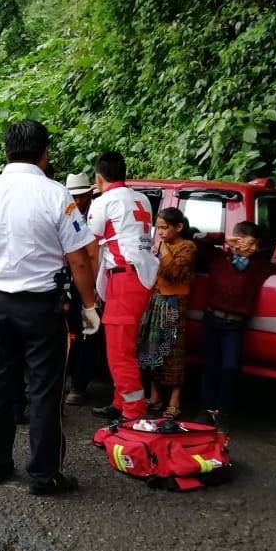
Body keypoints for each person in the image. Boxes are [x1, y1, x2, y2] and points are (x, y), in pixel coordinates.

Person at [0, 120, 100, 496]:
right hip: (41, 308)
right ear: (44, 152)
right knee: (44, 390)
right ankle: (42, 474)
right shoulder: (56, 196)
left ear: (7, 151)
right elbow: (80, 260)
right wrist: (89, 305)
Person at [193, 222, 276, 432]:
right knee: (210, 366)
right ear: (236, 241)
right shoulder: (218, 258)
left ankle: (222, 412)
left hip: (235, 325)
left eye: (256, 245)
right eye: (249, 244)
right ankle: (206, 410)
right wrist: (222, 239)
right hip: (212, 320)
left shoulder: (259, 266)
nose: (254, 249)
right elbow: (197, 239)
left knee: (230, 367)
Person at [88, 151, 159, 423]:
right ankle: (120, 402)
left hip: (124, 278)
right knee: (124, 345)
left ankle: (133, 412)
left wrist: (89, 287)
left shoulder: (103, 202)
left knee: (119, 352)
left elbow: (92, 249)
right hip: (139, 277)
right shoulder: (141, 199)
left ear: (98, 177)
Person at [136, 207, 197, 419]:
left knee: (173, 351)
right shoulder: (160, 246)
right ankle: (155, 396)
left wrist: (161, 251)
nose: (160, 232)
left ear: (179, 227)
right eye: (158, 227)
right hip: (157, 300)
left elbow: (173, 272)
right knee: (150, 348)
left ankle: (174, 400)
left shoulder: (187, 248)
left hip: (174, 303)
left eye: (165, 227)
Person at [63, 172, 100, 407]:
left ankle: (79, 385)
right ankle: (62, 381)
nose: (77, 202)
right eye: (73, 197)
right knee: (67, 336)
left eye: (81, 197)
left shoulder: (97, 214)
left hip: (89, 283)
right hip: (67, 283)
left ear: (89, 194)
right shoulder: (64, 213)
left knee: (89, 335)